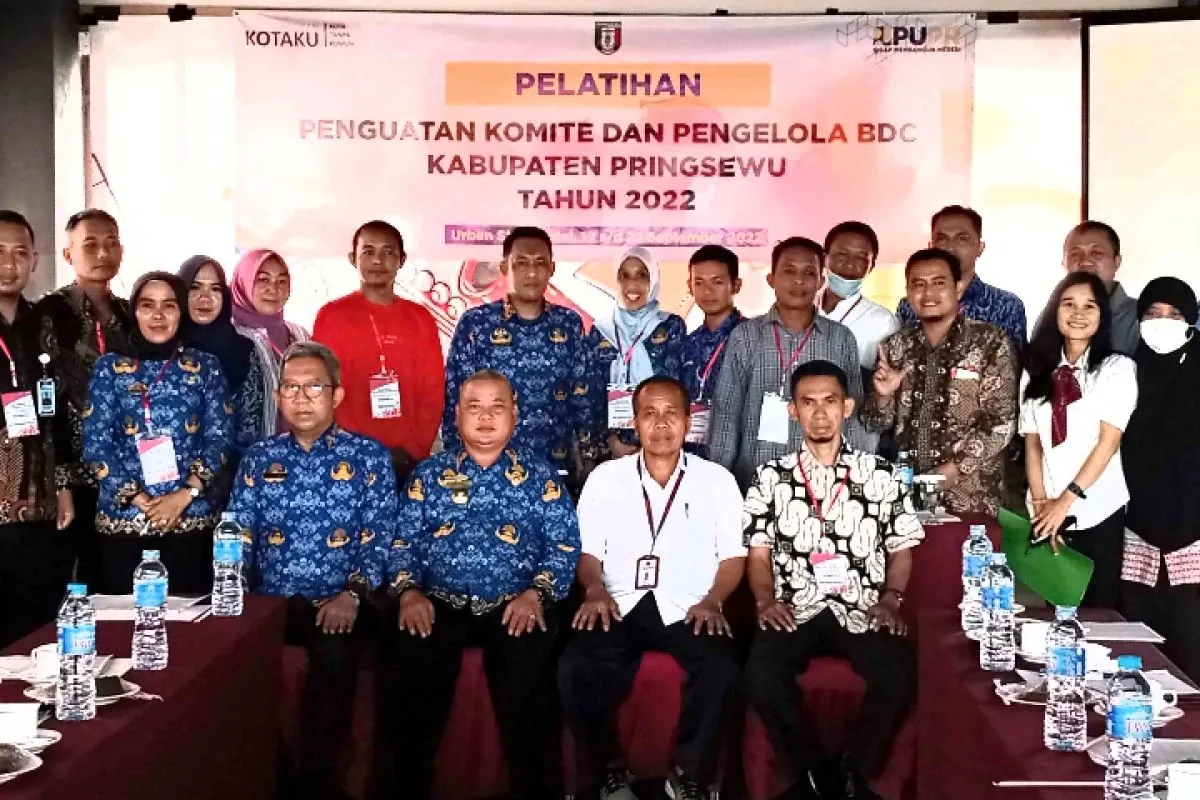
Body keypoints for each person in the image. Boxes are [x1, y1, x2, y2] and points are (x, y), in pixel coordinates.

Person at [385, 369, 580, 800]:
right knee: (410, 686)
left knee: (530, 697)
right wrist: (408, 592)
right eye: (474, 407)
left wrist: (537, 594)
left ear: (515, 414)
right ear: (457, 415)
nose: (486, 417)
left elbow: (564, 546)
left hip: (516, 602)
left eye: (497, 407)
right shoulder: (428, 475)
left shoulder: (541, 478)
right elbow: (401, 543)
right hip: (438, 601)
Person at [744, 360, 923, 800]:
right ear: (793, 411)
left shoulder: (880, 475)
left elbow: (902, 548)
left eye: (829, 402)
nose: (820, 413)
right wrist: (765, 601)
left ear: (847, 407)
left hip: (861, 605)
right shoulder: (770, 476)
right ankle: (809, 772)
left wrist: (891, 599)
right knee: (760, 673)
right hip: (795, 606)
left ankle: (854, 772)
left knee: (899, 674)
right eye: (808, 403)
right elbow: (758, 554)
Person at [559, 376, 744, 800]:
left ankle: (687, 774)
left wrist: (714, 600)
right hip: (619, 601)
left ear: (689, 422)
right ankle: (609, 770)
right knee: (574, 666)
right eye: (650, 414)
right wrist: (594, 589)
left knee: (722, 669)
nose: (661, 424)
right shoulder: (605, 478)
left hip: (689, 605)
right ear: (634, 422)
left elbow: (733, 557)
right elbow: (588, 553)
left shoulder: (717, 480)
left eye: (671, 414)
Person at [229, 341, 396, 800]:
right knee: (230, 662)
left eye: (313, 387)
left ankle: (318, 785)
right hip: (272, 602)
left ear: (337, 395)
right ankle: (273, 780)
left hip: (342, 599)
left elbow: (380, 538)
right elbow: (238, 535)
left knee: (335, 658)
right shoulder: (259, 459)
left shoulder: (368, 457)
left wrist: (353, 594)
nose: (301, 398)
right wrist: (236, 596)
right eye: (291, 387)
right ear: (277, 396)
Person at [83, 272, 233, 595]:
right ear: (134, 312)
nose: (158, 315)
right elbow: (96, 445)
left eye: (169, 305)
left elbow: (220, 438)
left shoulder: (205, 367)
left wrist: (184, 495)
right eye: (148, 305)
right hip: (124, 523)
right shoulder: (110, 368)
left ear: (182, 311)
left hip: (191, 520)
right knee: (126, 621)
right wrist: (143, 501)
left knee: (192, 621)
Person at [862, 249, 1018, 516]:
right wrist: (883, 396)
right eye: (918, 284)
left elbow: (1002, 421)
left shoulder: (989, 342)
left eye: (938, 283)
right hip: (907, 494)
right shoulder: (896, 346)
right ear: (908, 292)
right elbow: (873, 423)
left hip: (970, 495)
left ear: (958, 287)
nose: (928, 293)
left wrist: (955, 469)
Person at [442, 227, 598, 484]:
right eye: (521, 263)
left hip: (553, 468)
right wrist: (456, 464)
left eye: (540, 263)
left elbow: (583, 396)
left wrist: (589, 456)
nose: (532, 273)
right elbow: (454, 398)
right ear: (504, 268)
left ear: (552, 269)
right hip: (488, 470)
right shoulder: (476, 324)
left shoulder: (568, 324)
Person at [709, 236, 865, 491]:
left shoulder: (840, 338)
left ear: (821, 282)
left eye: (809, 273)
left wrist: (853, 479)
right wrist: (719, 482)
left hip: (824, 481)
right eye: (789, 271)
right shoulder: (746, 336)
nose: (799, 281)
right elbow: (726, 413)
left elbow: (852, 415)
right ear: (771, 279)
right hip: (756, 478)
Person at [1021, 273, 1136, 609]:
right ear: (1054, 311)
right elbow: (1033, 443)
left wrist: (1065, 502)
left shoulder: (1116, 368)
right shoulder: (1036, 370)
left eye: (1090, 306)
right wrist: (1041, 504)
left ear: (1102, 316)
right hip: (1046, 510)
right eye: (1068, 304)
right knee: (1057, 609)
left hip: (1098, 508)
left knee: (1098, 614)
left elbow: (1108, 442)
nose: (1078, 313)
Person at [33, 208, 134, 584]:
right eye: (90, 244)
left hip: (125, 472)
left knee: (119, 578)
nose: (103, 253)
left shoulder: (130, 315)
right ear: (68, 254)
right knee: (75, 582)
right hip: (73, 473)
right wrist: (60, 481)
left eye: (111, 243)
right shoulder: (50, 313)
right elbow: (46, 400)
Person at [314, 221, 444, 484]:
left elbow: (433, 390)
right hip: (345, 456)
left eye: (388, 252)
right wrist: (345, 448)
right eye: (368, 251)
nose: (377, 260)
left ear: (402, 260)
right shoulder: (331, 316)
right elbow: (322, 387)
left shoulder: (420, 318)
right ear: (352, 258)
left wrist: (415, 447)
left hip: (407, 457)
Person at [0, 211, 75, 648]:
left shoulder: (42, 323)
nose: (9, 265)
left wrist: (63, 484)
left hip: (41, 500)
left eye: (19, 253)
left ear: (34, 260)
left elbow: (57, 407)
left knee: (36, 624)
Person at [1119, 277, 1200, 680]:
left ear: (1191, 322)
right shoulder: (1126, 372)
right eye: (1152, 314)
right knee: (1136, 647)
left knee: (1190, 643)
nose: (1162, 322)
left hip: (1193, 534)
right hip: (1136, 533)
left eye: (1174, 314)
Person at [177, 255, 264, 499]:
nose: (205, 297)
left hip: (227, 484)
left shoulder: (243, 350)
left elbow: (249, 428)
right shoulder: (164, 348)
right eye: (195, 287)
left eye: (215, 289)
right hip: (166, 485)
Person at [593, 246, 686, 458]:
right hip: (612, 448)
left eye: (641, 275)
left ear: (653, 280)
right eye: (624, 275)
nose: (632, 284)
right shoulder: (601, 331)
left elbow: (677, 389)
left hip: (661, 442)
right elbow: (592, 394)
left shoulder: (670, 326)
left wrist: (655, 441)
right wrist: (610, 441)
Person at [897, 206, 1027, 351]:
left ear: (980, 247)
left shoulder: (1005, 305)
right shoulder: (909, 306)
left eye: (961, 238)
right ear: (931, 246)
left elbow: (1014, 362)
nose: (950, 247)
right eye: (942, 238)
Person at [231, 248, 311, 436]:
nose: (273, 289)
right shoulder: (231, 337)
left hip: (300, 448)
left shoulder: (301, 335)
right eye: (263, 280)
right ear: (243, 283)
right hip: (247, 450)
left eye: (282, 281)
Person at [680, 245, 744, 458]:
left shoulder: (752, 338)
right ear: (689, 286)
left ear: (736, 285)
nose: (707, 291)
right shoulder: (687, 343)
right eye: (699, 283)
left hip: (736, 455)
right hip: (689, 455)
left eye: (717, 282)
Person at [818, 222, 899, 381]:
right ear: (824, 257)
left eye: (861, 258)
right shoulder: (803, 309)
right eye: (842, 254)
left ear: (871, 265)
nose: (850, 264)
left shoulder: (884, 322)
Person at [1059, 221, 1140, 355]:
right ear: (1063, 263)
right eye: (1075, 254)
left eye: (1096, 253)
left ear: (1116, 262)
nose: (1085, 262)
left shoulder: (1140, 318)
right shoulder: (1054, 315)